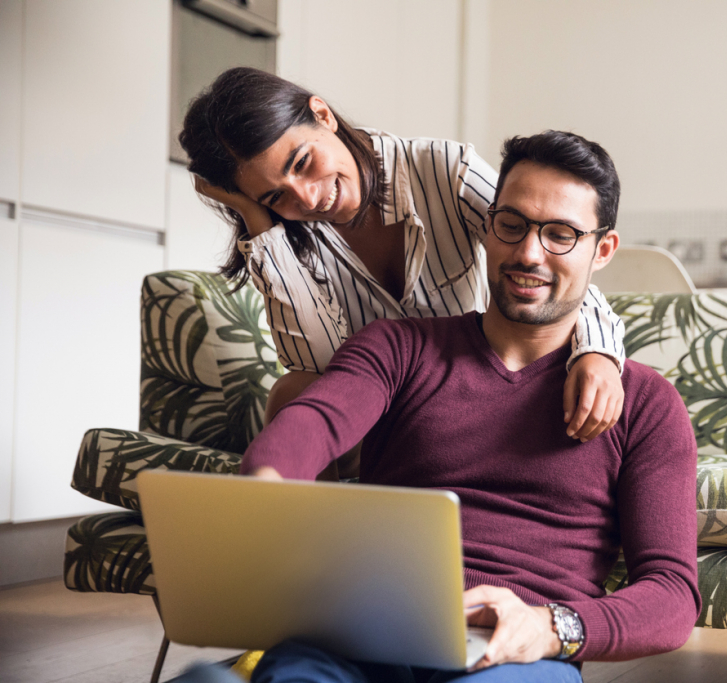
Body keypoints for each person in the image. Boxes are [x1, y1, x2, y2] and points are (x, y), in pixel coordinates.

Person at [216, 130, 700, 682]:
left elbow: (671, 595)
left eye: (561, 235)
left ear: (602, 250)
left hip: (510, 654)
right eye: (511, 225)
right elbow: (315, 423)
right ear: (487, 226)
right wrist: (267, 483)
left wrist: (549, 627)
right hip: (361, 631)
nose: (528, 253)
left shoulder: (646, 403)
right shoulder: (399, 347)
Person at [178, 68, 627, 466]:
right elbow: (316, 367)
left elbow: (544, 254)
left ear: (322, 115)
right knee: (293, 392)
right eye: (275, 195)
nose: (309, 199)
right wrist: (259, 221)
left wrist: (598, 353)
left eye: (303, 162)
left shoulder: (445, 170)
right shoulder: (286, 234)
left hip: (472, 387)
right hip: (374, 407)